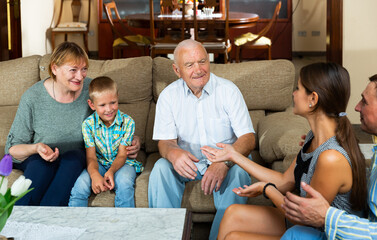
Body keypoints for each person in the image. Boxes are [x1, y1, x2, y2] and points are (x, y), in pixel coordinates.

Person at [201, 62, 368, 240]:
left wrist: (268, 190)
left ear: (313, 99)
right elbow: (284, 181)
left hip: (322, 234)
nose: (293, 94)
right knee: (233, 213)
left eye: (298, 88)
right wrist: (233, 155)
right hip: (305, 226)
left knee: (234, 237)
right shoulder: (313, 137)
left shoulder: (331, 157)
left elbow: (306, 218)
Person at [6, 42, 140, 206]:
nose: (80, 76)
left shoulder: (91, 91)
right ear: (55, 68)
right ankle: (18, 221)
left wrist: (134, 140)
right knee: (42, 166)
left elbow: (113, 120)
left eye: (84, 69)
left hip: (75, 157)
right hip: (39, 157)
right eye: (73, 70)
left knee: (74, 158)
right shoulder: (33, 97)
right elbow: (12, 149)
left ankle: (50, 218)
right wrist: (36, 148)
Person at [148, 39, 255, 240]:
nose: (199, 69)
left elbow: (248, 138)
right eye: (189, 65)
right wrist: (174, 153)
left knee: (240, 171)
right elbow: (165, 142)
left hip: (226, 161)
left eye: (202, 61)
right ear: (177, 70)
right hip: (190, 164)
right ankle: (165, 236)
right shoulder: (168, 96)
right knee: (161, 167)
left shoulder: (228, 90)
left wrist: (224, 161)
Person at [281, 74, 377, 240]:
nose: (356, 107)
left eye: (365, 102)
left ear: (313, 98)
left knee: (294, 234)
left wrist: (328, 216)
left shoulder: (331, 157)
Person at [69, 76, 143, 207]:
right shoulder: (88, 125)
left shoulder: (128, 122)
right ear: (92, 105)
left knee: (125, 182)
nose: (109, 109)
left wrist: (112, 171)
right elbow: (91, 157)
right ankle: (74, 223)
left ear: (118, 97)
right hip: (100, 163)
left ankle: (125, 223)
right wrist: (94, 174)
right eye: (102, 105)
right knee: (80, 184)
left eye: (113, 102)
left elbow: (122, 154)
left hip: (123, 163)